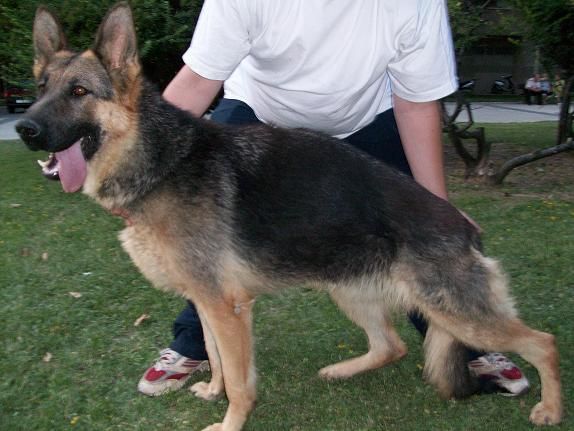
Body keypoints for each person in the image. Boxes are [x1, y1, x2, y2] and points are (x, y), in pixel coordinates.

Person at [137, 0, 529, 398]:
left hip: (364, 120)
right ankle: (193, 343)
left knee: (423, 237)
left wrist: (439, 206)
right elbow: (198, 81)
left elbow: (415, 103)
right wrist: (145, 168)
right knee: (202, 239)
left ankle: (470, 342)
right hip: (259, 114)